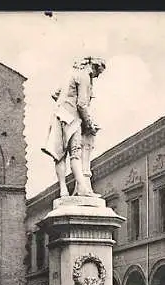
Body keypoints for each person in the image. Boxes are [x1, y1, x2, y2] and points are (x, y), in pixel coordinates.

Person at [41, 56, 106, 198]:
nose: (96, 77)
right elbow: (82, 104)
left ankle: (63, 190)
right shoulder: (84, 76)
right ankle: (83, 189)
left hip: (59, 115)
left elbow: (55, 93)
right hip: (72, 117)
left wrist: (65, 101)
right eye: (97, 73)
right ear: (93, 67)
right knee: (75, 153)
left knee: (60, 155)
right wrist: (89, 123)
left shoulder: (71, 73)